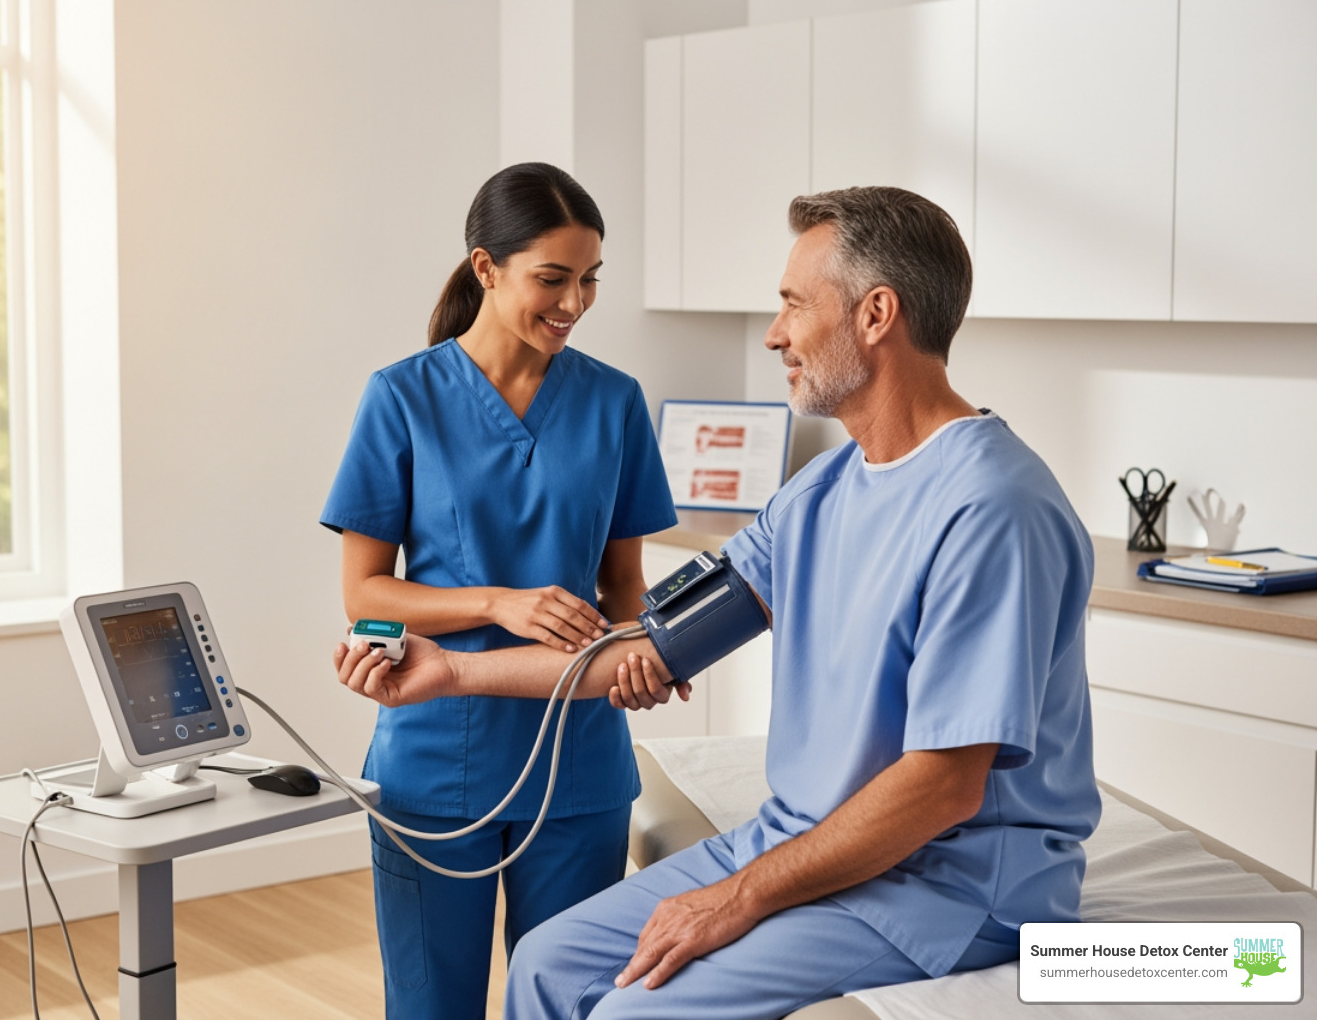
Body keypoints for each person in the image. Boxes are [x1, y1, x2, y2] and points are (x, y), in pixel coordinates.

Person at [335, 186, 1101, 1020]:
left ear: (877, 314)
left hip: (944, 881)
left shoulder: (992, 508)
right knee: (548, 961)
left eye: (793, 305)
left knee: (630, 1010)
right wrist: (450, 671)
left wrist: (737, 898)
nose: (774, 333)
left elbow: (943, 788)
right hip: (806, 836)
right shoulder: (815, 495)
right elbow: (649, 645)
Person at [320, 162, 679, 1020]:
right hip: (436, 760)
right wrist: (495, 601)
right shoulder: (402, 397)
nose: (575, 302)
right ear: (486, 267)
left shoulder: (615, 402)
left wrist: (652, 649)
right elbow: (364, 593)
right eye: (552, 279)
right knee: (430, 1007)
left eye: (590, 279)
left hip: (579, 761)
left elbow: (625, 586)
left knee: (570, 1002)